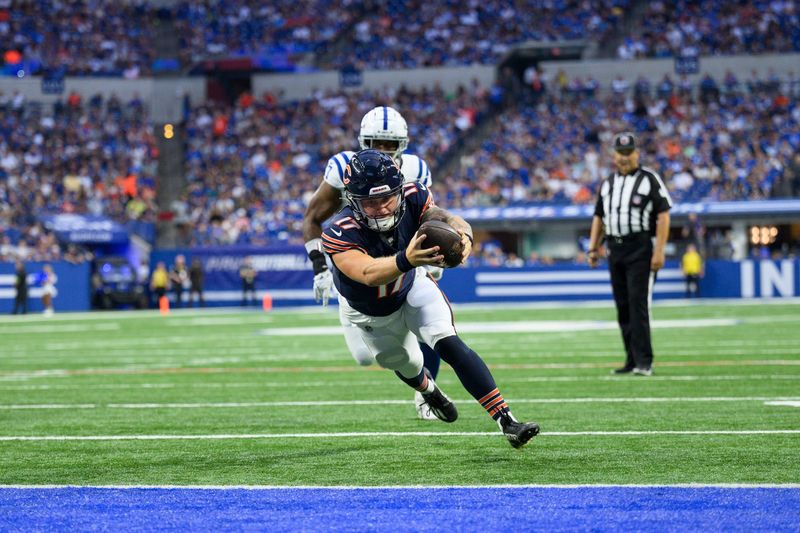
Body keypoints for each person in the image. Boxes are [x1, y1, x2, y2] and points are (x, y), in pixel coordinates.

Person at [322, 149, 539, 448]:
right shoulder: (339, 231)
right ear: (353, 201)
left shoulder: (413, 195)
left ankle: (507, 420)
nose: (382, 208)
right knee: (407, 364)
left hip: (410, 287)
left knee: (447, 340)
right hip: (370, 311)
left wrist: (465, 235)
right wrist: (406, 259)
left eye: (387, 198)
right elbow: (368, 273)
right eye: (370, 203)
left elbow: (444, 217)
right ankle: (429, 390)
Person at [302, 105, 443, 420]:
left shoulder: (416, 171)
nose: (381, 151)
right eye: (375, 143)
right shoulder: (343, 168)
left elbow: (426, 216)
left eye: (388, 145)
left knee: (430, 326)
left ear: (402, 145)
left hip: (405, 257)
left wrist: (434, 253)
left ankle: (426, 392)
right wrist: (319, 266)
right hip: (358, 262)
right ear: (362, 143)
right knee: (366, 358)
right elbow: (312, 217)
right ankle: (350, 303)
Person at [587, 132, 672, 377]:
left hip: (641, 248)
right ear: (614, 155)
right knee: (623, 306)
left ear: (637, 153)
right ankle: (631, 359)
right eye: (620, 153)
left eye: (628, 153)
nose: (624, 158)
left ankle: (644, 361)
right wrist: (594, 248)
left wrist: (659, 251)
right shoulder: (608, 183)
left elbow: (664, 215)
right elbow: (599, 217)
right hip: (615, 249)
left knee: (638, 304)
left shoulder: (650, 179)